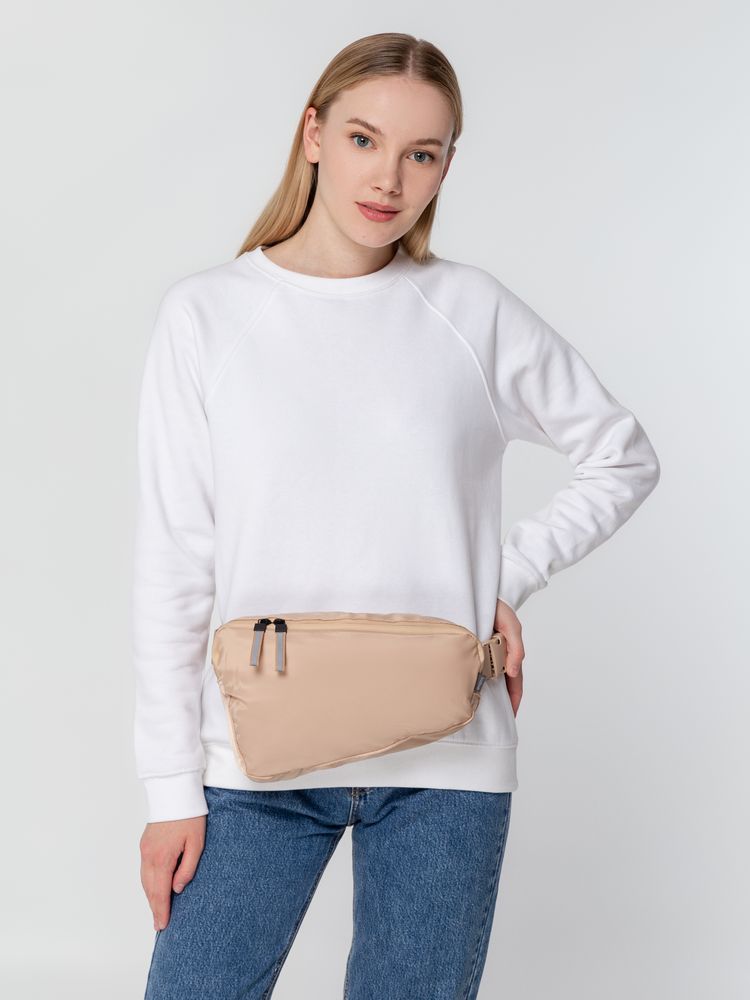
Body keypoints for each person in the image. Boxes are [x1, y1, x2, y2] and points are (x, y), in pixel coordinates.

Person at [133, 31, 661, 1000]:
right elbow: (175, 564)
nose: (390, 178)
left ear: (447, 165)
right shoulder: (207, 316)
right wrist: (171, 789)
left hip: (445, 760)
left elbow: (621, 454)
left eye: (423, 153)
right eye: (365, 139)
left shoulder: (470, 310)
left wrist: (505, 578)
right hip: (254, 759)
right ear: (314, 134)